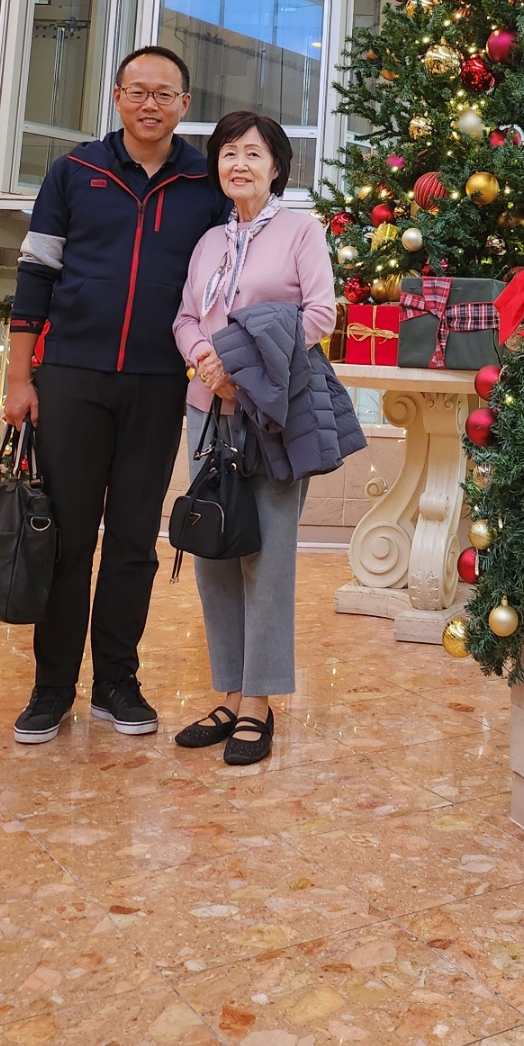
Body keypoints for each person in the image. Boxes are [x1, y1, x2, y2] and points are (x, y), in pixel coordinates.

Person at [5, 46, 226, 745]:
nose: (150, 103)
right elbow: (36, 273)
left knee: (133, 539)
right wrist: (19, 378)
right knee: (66, 536)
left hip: (159, 384)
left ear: (184, 104)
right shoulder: (75, 171)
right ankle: (51, 689)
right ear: (117, 96)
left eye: (165, 93)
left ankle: (116, 684)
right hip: (72, 377)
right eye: (138, 91)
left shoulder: (205, 183)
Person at [171, 111, 341, 764]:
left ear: (276, 167)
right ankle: (230, 692)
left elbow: (319, 314)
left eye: (252, 153)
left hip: (272, 412)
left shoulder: (301, 231)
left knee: (266, 555)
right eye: (228, 153)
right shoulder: (208, 241)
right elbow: (186, 318)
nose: (238, 164)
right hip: (206, 409)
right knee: (214, 545)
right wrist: (204, 361)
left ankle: (259, 702)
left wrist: (236, 362)